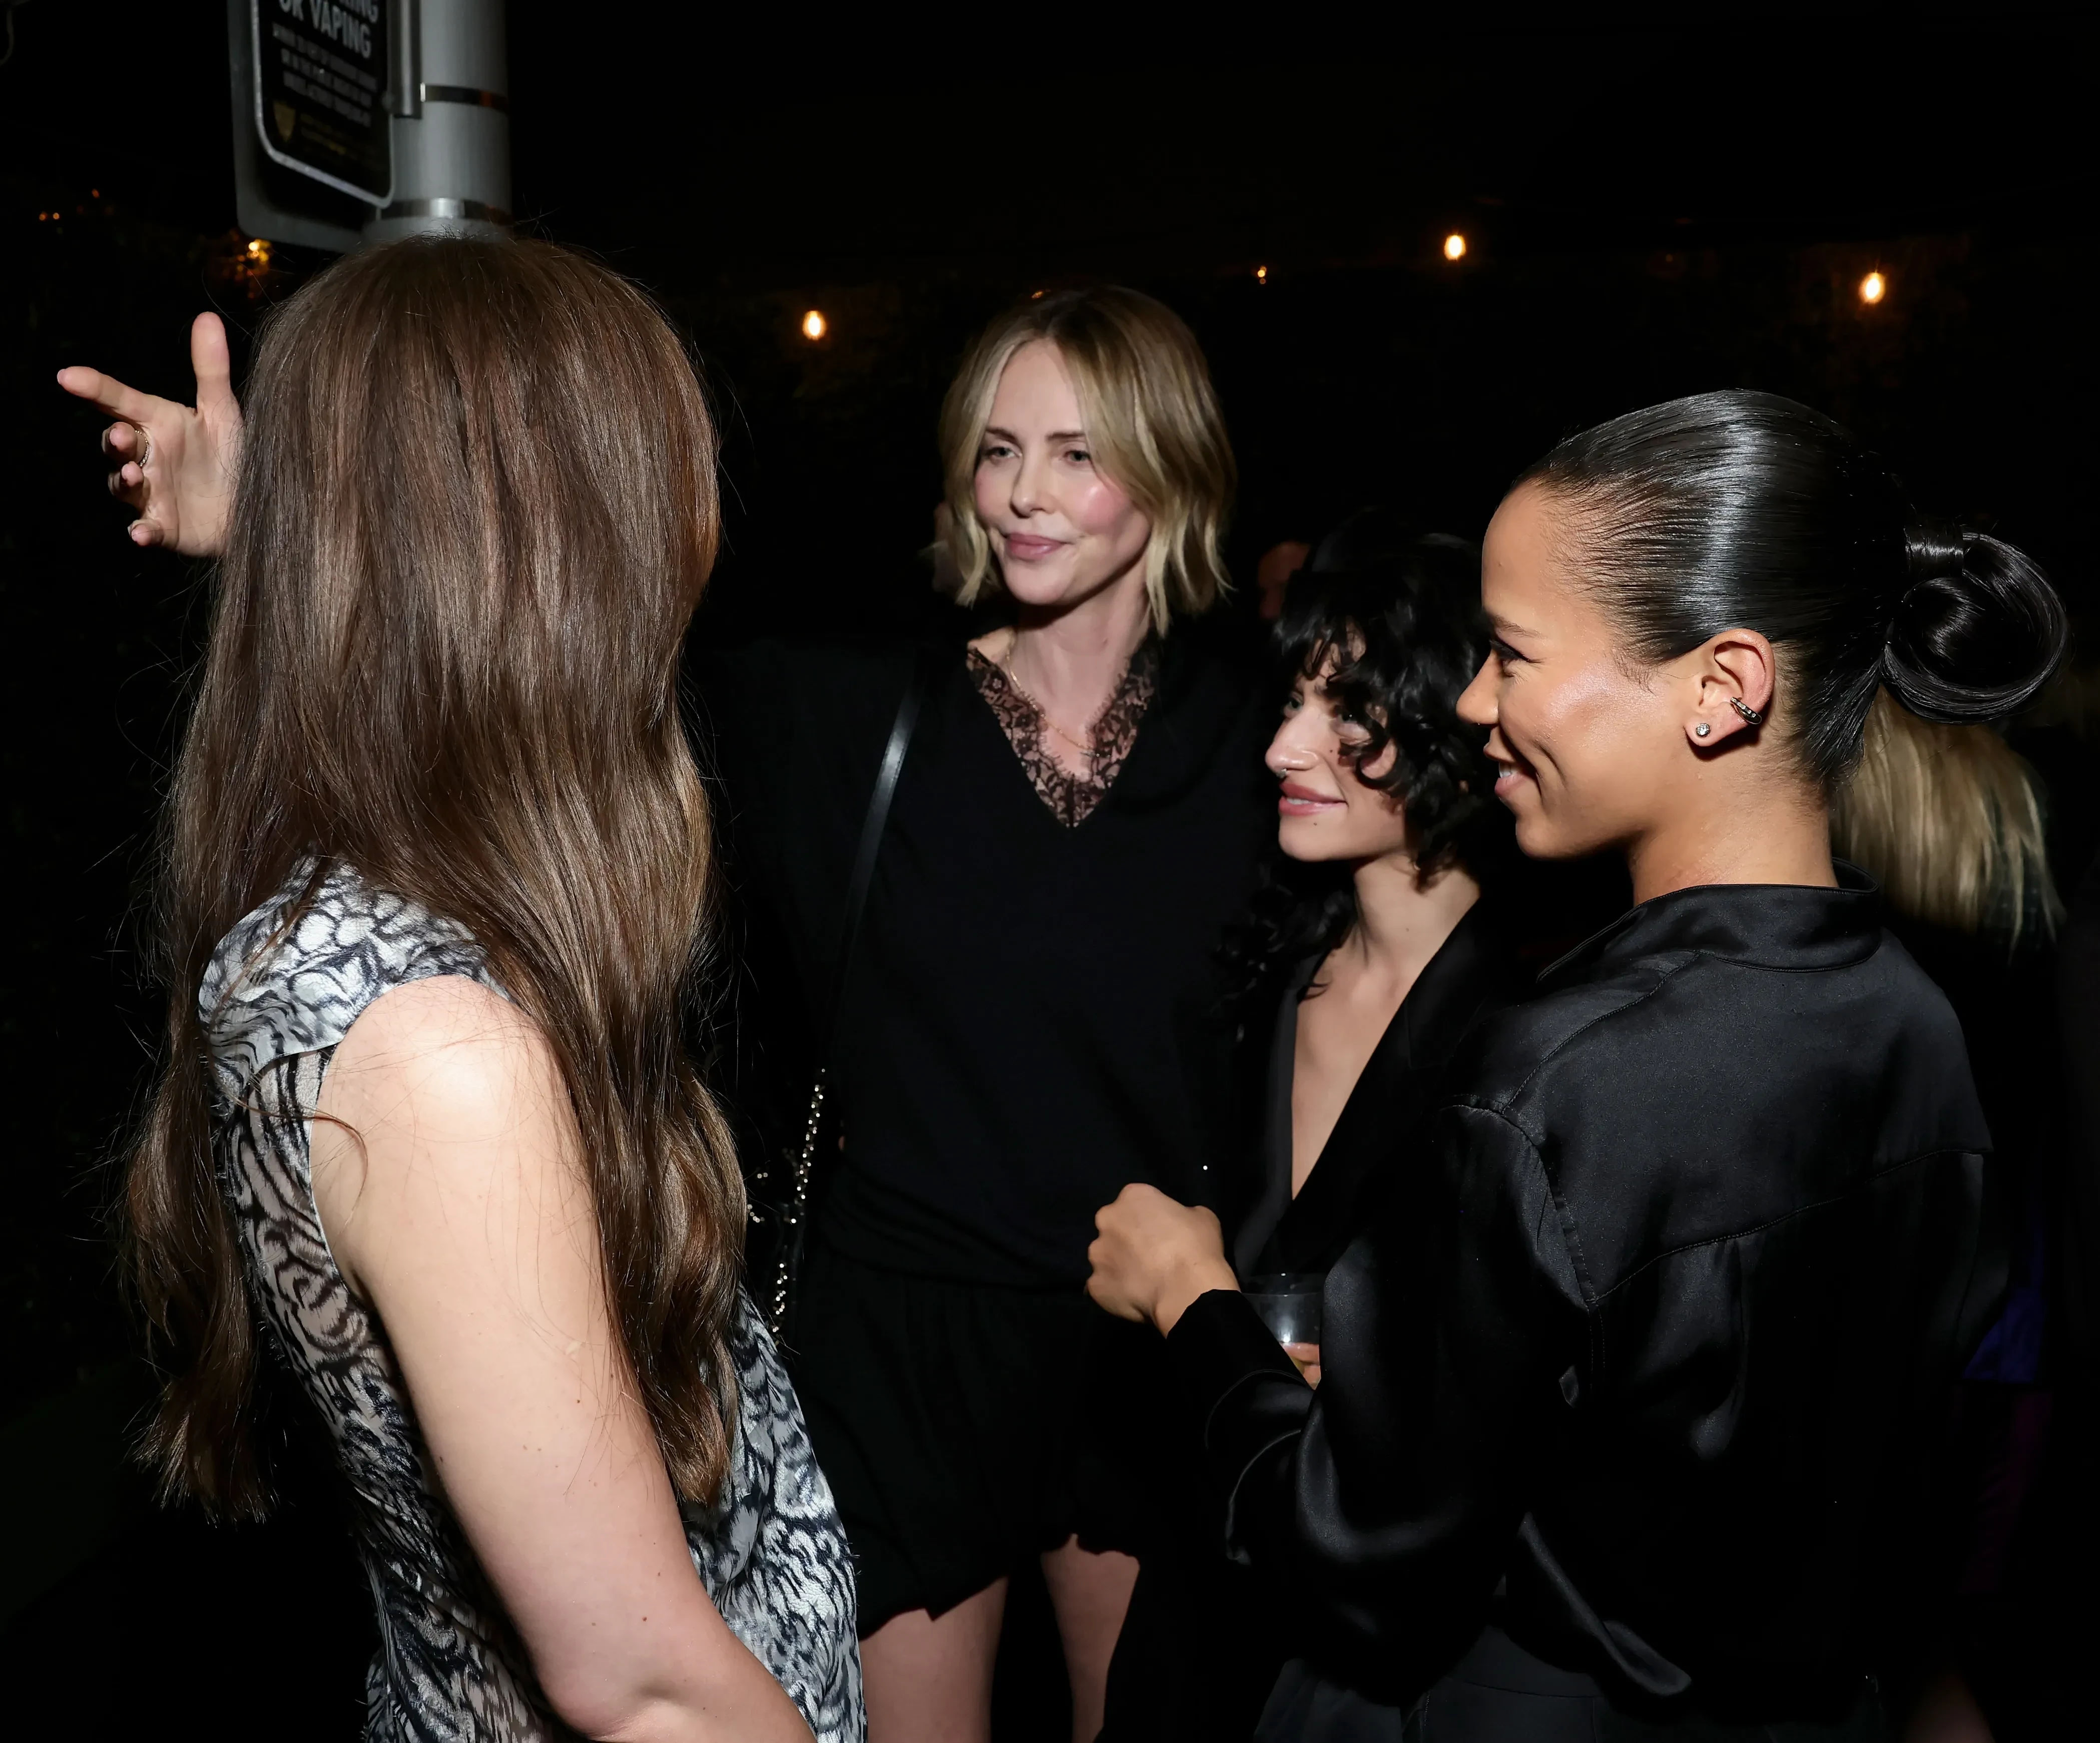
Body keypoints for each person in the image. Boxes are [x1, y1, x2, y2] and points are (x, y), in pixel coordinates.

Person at [1088, 389, 2065, 1740]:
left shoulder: (1552, 1080)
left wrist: (1193, 1304)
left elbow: (1355, 1556)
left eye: (1511, 653)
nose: (1473, 702)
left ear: (1721, 689)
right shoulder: (1918, 1026)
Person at [62, 238, 859, 1740]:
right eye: (644, 502)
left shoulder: (346, 910)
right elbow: (640, 1689)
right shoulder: (439, 1060)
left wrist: (290, 529)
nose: (681, 559)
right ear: (557, 563)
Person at [699, 285, 1277, 1742]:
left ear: (1170, 466)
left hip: (1143, 1338)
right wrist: (285, 521)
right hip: (907, 1343)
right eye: (998, 449)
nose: (1024, 494)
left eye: (1078, 454)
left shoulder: (1261, 749)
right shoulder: (844, 721)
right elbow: (546, 658)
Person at [1102, 519, 1529, 1741]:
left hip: (1386, 1642)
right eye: (1294, 699)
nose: (1285, 745)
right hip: (1207, 1575)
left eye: (1350, 713)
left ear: (1459, 725)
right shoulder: (1264, 974)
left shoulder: (1523, 1029)